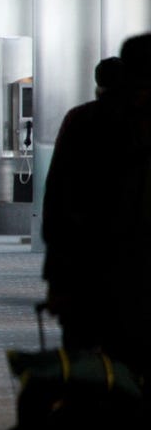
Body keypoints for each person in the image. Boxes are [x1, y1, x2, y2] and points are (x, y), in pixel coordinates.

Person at [43, 35, 151, 387]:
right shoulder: (110, 125)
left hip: (87, 273)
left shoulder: (82, 122)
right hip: (115, 276)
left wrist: (56, 280)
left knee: (88, 374)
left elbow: (57, 203)